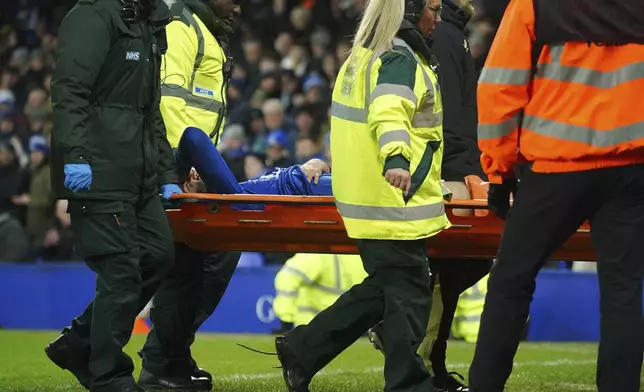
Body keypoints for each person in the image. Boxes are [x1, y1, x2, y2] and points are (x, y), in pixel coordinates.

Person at [468, 0, 644, 391]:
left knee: (511, 282)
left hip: (556, 167)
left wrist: (499, 170)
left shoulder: (534, 4)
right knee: (624, 291)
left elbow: (500, 85)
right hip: (630, 166)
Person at [273, 0, 450, 390]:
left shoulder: (361, 57)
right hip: (392, 195)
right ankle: (408, 384)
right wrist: (398, 158)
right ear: (410, 11)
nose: (439, 17)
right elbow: (389, 111)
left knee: (386, 288)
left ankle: (303, 349)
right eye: (434, 8)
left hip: (365, 194)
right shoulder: (399, 58)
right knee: (409, 289)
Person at [44, 0, 182, 391]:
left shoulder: (147, 22)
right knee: (120, 272)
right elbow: (69, 91)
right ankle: (109, 377)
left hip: (138, 174)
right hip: (98, 170)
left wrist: (165, 172)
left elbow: (149, 109)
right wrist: (76, 155)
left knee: (157, 256)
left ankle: (79, 344)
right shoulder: (93, 15)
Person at [367, 1, 490, 390]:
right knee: (453, 264)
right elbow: (447, 113)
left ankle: (416, 350)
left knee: (454, 266)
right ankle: (419, 355)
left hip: (450, 163)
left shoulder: (450, 33)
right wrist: (461, 170)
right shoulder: (448, 36)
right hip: (447, 169)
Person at [136, 0, 243, 390]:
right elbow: (170, 102)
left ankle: (167, 355)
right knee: (195, 259)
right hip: (176, 166)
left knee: (192, 262)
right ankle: (163, 355)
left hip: (186, 165)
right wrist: (182, 169)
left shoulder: (203, 30)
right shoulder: (184, 27)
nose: (239, 8)